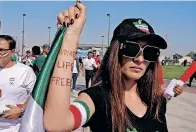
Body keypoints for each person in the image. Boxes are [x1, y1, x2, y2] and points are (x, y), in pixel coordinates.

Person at [44, 2, 183, 132]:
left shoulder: (157, 102)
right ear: (116, 53)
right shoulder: (98, 98)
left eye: (150, 52)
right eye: (131, 49)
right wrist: (71, 38)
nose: (140, 59)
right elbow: (57, 123)